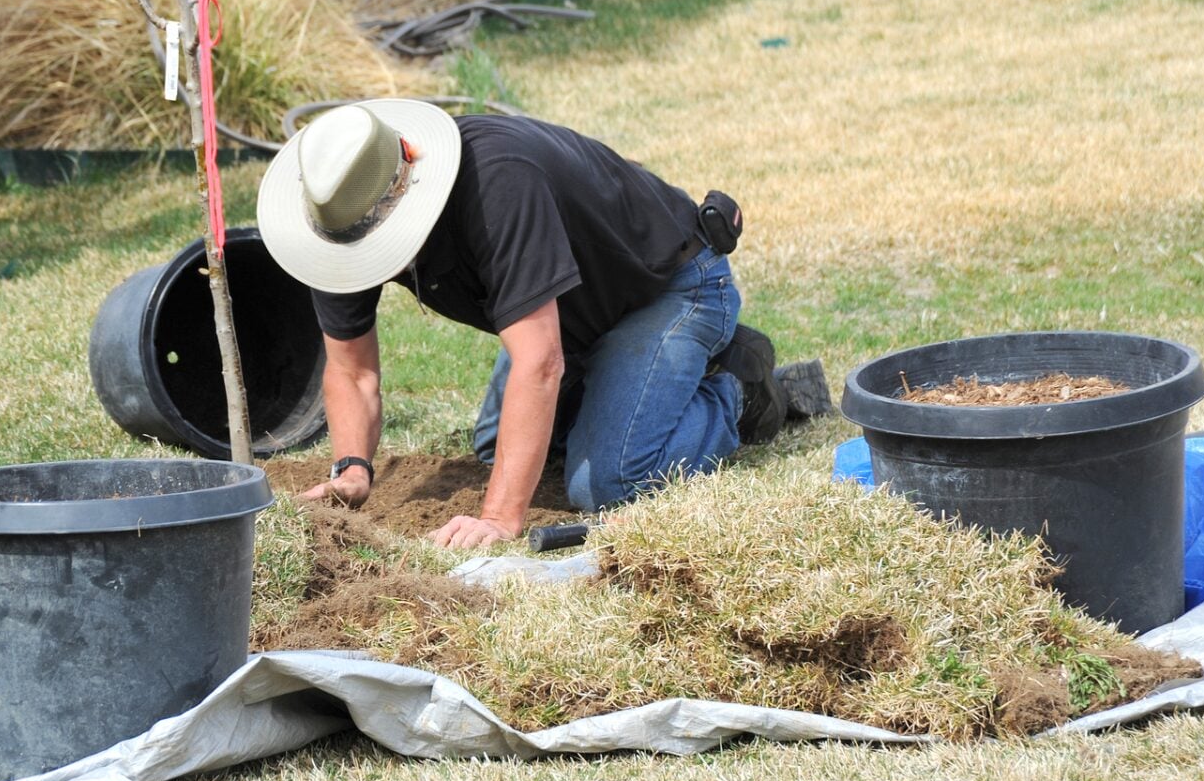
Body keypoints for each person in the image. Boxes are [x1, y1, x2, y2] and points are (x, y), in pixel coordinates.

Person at [256, 100, 830, 550]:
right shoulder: (340, 220)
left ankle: (738, 388)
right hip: (571, 308)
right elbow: (352, 371)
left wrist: (500, 518)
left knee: (608, 483)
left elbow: (540, 362)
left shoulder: (497, 183)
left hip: (671, 285)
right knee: (492, 447)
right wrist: (352, 468)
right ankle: (633, 385)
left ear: (409, 164)